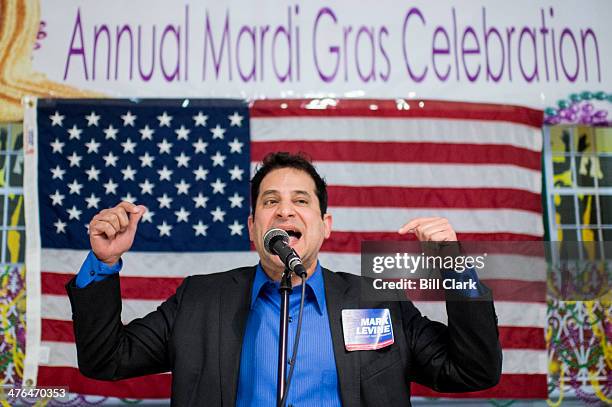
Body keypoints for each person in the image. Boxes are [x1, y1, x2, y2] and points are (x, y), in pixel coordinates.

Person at [67, 152, 502, 406]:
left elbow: (473, 371)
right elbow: (105, 359)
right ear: (253, 226)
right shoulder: (200, 299)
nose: (285, 211)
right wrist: (102, 262)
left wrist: (454, 268)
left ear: (325, 224)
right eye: (271, 201)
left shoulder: (378, 301)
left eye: (300, 201)